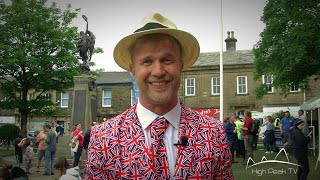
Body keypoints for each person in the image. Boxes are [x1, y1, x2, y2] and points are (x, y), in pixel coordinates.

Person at [84, 12, 233, 179]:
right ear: (133, 70)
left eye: (167, 60)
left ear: (181, 66)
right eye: (147, 61)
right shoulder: (103, 137)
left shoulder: (213, 133)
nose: (158, 71)